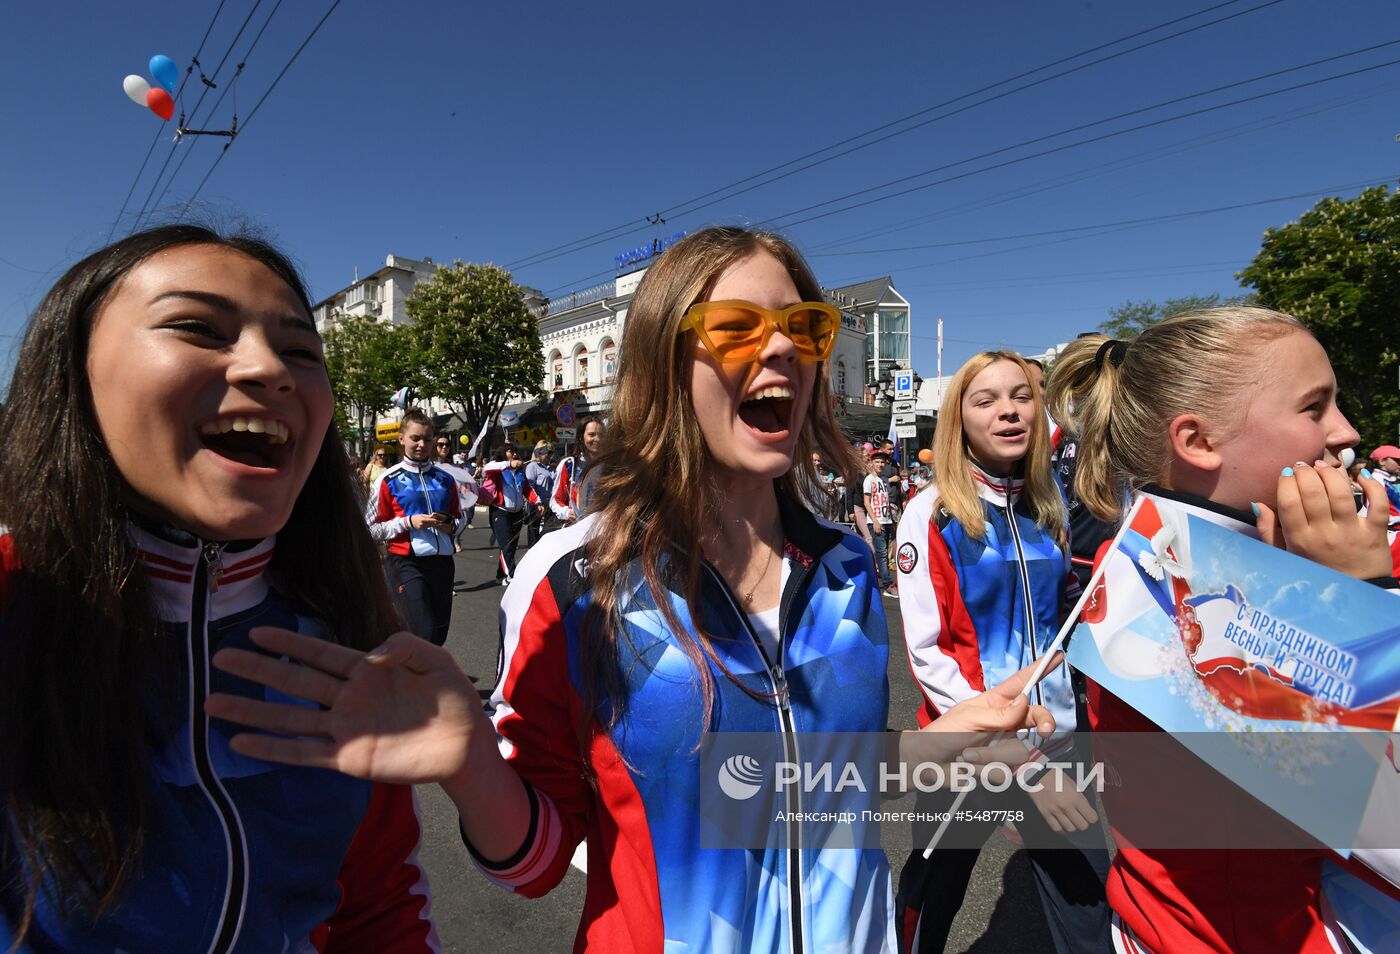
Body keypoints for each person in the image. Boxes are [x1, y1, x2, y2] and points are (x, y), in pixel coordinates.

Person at [203, 225, 1064, 953]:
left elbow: (813, 780)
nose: (779, 349)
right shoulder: (578, 579)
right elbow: (535, 866)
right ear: (661, 360)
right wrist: (470, 766)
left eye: (802, 328)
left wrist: (949, 737)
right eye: (735, 327)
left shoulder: (843, 565)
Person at [0, 225, 437, 950]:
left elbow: (379, 907)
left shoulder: (348, 630)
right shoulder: (15, 601)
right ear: (72, 373)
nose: (271, 370)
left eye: (302, 350)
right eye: (197, 328)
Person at [1046, 308, 1399, 954]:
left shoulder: (1320, 558)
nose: (1347, 433)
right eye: (1314, 408)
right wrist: (1361, 606)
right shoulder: (1172, 589)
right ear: (1197, 442)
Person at [894, 351, 1110, 954]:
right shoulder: (931, 514)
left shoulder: (1051, 505)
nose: (1009, 411)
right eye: (985, 400)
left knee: (1089, 905)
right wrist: (1014, 756)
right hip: (973, 752)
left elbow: (1068, 614)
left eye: (1021, 396)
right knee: (931, 901)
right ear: (958, 418)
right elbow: (929, 654)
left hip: (1061, 742)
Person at [366, 407, 462, 645]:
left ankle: (412, 675)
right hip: (406, 563)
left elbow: (459, 519)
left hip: (442, 563)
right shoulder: (387, 480)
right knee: (423, 631)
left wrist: (452, 526)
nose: (422, 444)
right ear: (401, 439)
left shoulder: (446, 479)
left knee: (438, 635)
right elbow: (369, 528)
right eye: (415, 438)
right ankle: (416, 679)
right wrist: (409, 522)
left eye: (427, 439)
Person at [479, 445, 541, 585]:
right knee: (507, 545)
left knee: (510, 546)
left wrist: (537, 501)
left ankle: (500, 576)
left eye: (515, 452)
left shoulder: (519, 472)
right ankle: (512, 575)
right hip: (500, 512)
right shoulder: (497, 470)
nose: (514, 454)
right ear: (503, 453)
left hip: (517, 513)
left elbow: (526, 488)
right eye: (510, 451)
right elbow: (486, 468)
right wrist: (508, 464)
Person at [551, 416, 603, 524]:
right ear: (581, 437)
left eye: (601, 435)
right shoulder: (569, 465)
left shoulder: (609, 466)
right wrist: (566, 512)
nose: (597, 439)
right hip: (575, 528)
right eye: (591, 434)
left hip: (601, 528)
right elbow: (555, 500)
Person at [435, 434, 480, 554]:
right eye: (440, 445)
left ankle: (454, 541)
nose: (444, 447)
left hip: (452, 504)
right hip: (435, 506)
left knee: (461, 523)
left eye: (447, 445)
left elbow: (461, 483)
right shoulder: (429, 465)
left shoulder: (454, 467)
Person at [864, 451, 897, 594]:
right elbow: (866, 502)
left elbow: (886, 500)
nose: (880, 464)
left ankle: (878, 578)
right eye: (877, 462)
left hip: (887, 519)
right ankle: (887, 583)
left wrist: (891, 519)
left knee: (882, 553)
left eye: (882, 462)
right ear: (871, 463)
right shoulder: (869, 480)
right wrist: (875, 521)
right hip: (875, 521)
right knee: (882, 553)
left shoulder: (884, 479)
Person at [523, 439, 556, 545]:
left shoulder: (549, 468)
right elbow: (529, 486)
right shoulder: (532, 466)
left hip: (549, 505)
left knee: (547, 533)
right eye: (547, 452)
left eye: (551, 452)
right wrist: (537, 502)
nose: (549, 455)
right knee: (534, 532)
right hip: (537, 504)